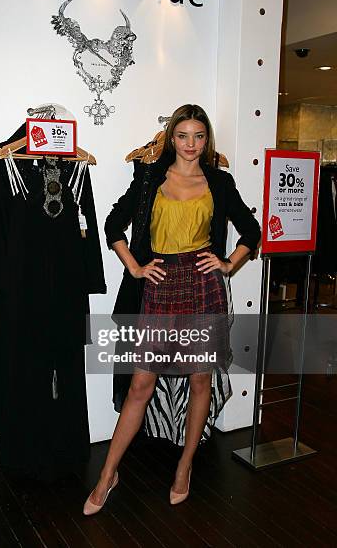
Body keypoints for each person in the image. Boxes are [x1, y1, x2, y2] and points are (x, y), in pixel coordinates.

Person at [83, 104, 261, 514]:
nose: (191, 145)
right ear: (171, 138)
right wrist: (135, 267)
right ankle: (108, 473)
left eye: (199, 136)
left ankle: (185, 466)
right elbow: (113, 224)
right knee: (140, 386)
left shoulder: (218, 180)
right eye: (183, 136)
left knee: (201, 383)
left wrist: (228, 264)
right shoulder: (149, 177)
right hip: (160, 288)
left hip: (201, 288)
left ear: (206, 139)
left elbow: (250, 230)